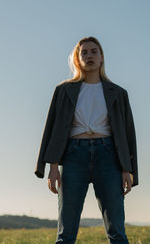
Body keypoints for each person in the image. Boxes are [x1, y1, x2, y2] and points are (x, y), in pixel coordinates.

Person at [34, 36, 138, 244]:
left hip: (109, 157)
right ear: (77, 59)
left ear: (101, 58)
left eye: (94, 51)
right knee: (66, 233)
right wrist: (52, 166)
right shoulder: (63, 91)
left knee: (117, 231)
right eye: (84, 52)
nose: (89, 55)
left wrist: (128, 169)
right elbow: (53, 130)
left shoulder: (118, 93)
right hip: (73, 157)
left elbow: (127, 134)